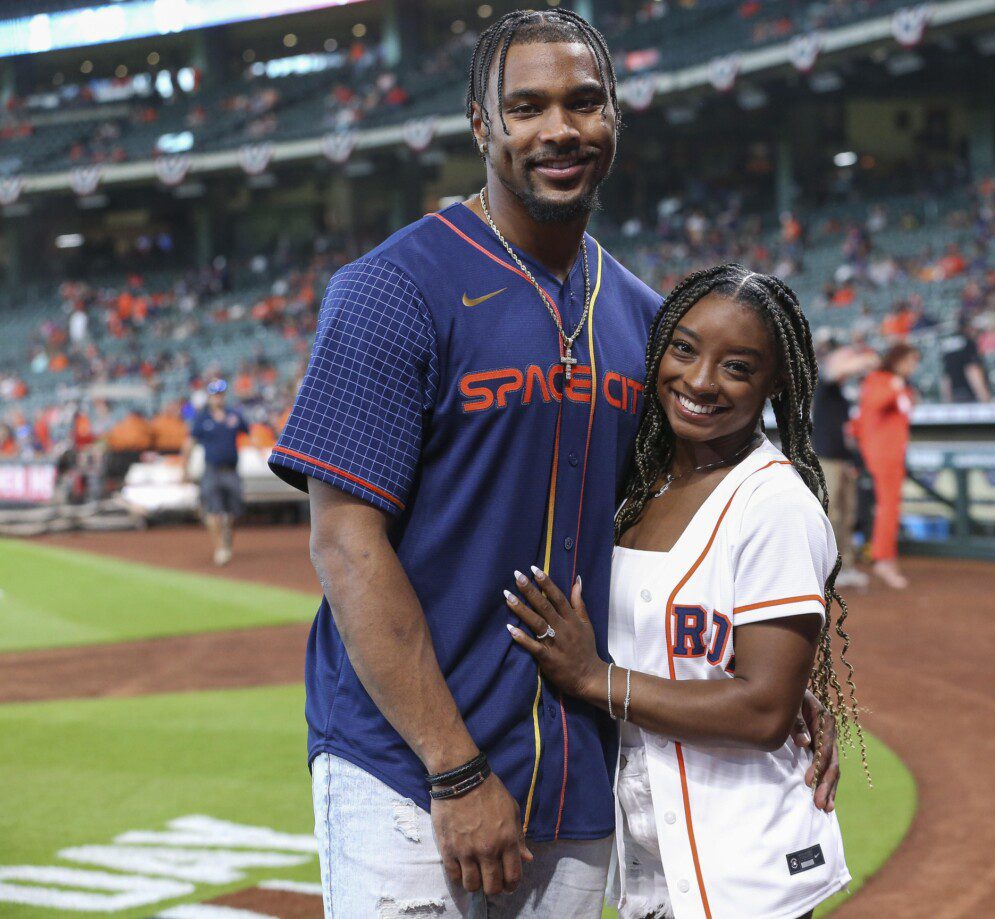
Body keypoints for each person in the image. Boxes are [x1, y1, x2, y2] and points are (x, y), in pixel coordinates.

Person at [266, 10, 842, 917]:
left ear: (615, 116)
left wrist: (778, 682)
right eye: (526, 107)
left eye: (584, 103)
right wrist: (455, 771)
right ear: (480, 123)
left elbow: (689, 521)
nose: (559, 130)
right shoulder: (390, 289)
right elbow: (345, 545)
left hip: (579, 778)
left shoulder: (648, 320)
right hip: (408, 772)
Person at [504, 266, 863, 919]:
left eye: (738, 366)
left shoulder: (774, 504)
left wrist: (595, 679)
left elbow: (761, 712)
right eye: (685, 349)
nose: (700, 381)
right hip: (653, 862)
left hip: (749, 869)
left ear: (776, 380)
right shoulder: (634, 488)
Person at [813, 333, 877, 589]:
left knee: (848, 515)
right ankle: (825, 570)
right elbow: (838, 368)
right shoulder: (825, 384)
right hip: (827, 459)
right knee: (830, 514)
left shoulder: (840, 393)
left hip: (842, 460)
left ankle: (845, 566)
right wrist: (860, 356)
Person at [854, 343, 920, 590]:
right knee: (888, 507)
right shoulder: (881, 379)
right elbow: (875, 404)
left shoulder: (896, 382)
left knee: (890, 506)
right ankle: (883, 559)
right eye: (911, 360)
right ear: (899, 359)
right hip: (883, 453)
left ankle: (885, 557)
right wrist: (895, 386)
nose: (913, 367)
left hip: (893, 451)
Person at [182, 379, 249, 566]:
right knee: (212, 511)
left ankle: (227, 540)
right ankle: (220, 548)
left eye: (220, 395)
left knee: (234, 513)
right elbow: (190, 442)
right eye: (214, 395)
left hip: (231, 470)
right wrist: (184, 468)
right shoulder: (202, 419)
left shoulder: (234, 415)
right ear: (209, 397)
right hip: (212, 470)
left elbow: (250, 433)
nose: (218, 398)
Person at [939, 320, 992, 403]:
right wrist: (984, 397)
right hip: (970, 395)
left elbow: (946, 376)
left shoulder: (947, 345)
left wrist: (947, 401)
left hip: (955, 395)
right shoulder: (968, 343)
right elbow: (972, 370)